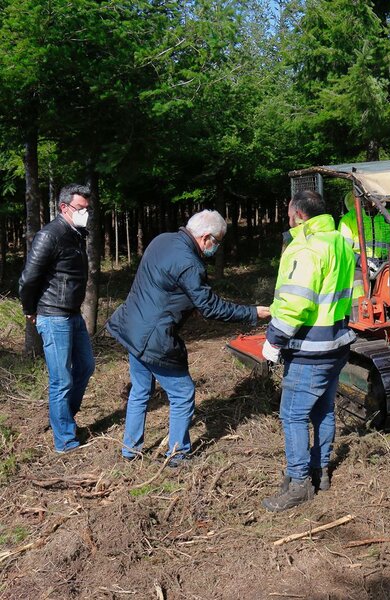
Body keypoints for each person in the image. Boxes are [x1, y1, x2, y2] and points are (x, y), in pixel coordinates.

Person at [106, 210, 270, 466]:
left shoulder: (162, 240)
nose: (216, 248)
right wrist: (251, 312)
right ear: (206, 238)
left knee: (140, 389)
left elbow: (161, 284)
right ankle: (177, 454)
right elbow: (211, 307)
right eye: (217, 243)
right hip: (153, 337)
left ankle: (130, 449)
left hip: (131, 326)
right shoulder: (190, 264)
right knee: (182, 392)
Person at [261, 190, 356, 512]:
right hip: (336, 342)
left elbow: (296, 302)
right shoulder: (340, 241)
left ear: (298, 213)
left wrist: (274, 339)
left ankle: (299, 483)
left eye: (288, 211)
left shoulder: (305, 247)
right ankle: (320, 471)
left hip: (309, 348)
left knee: (293, 414)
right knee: (323, 410)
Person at [19, 184, 95, 453]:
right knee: (61, 379)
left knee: (85, 366)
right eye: (81, 208)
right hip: (53, 316)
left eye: (87, 208)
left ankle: (65, 418)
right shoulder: (49, 235)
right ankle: (65, 440)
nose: (86, 212)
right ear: (64, 208)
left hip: (72, 315)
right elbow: (28, 279)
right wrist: (30, 309)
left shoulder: (76, 234)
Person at [338, 191, 390, 315]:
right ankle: (359, 315)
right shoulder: (349, 220)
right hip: (358, 265)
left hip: (385, 264)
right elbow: (343, 250)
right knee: (357, 282)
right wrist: (359, 260)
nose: (369, 203)